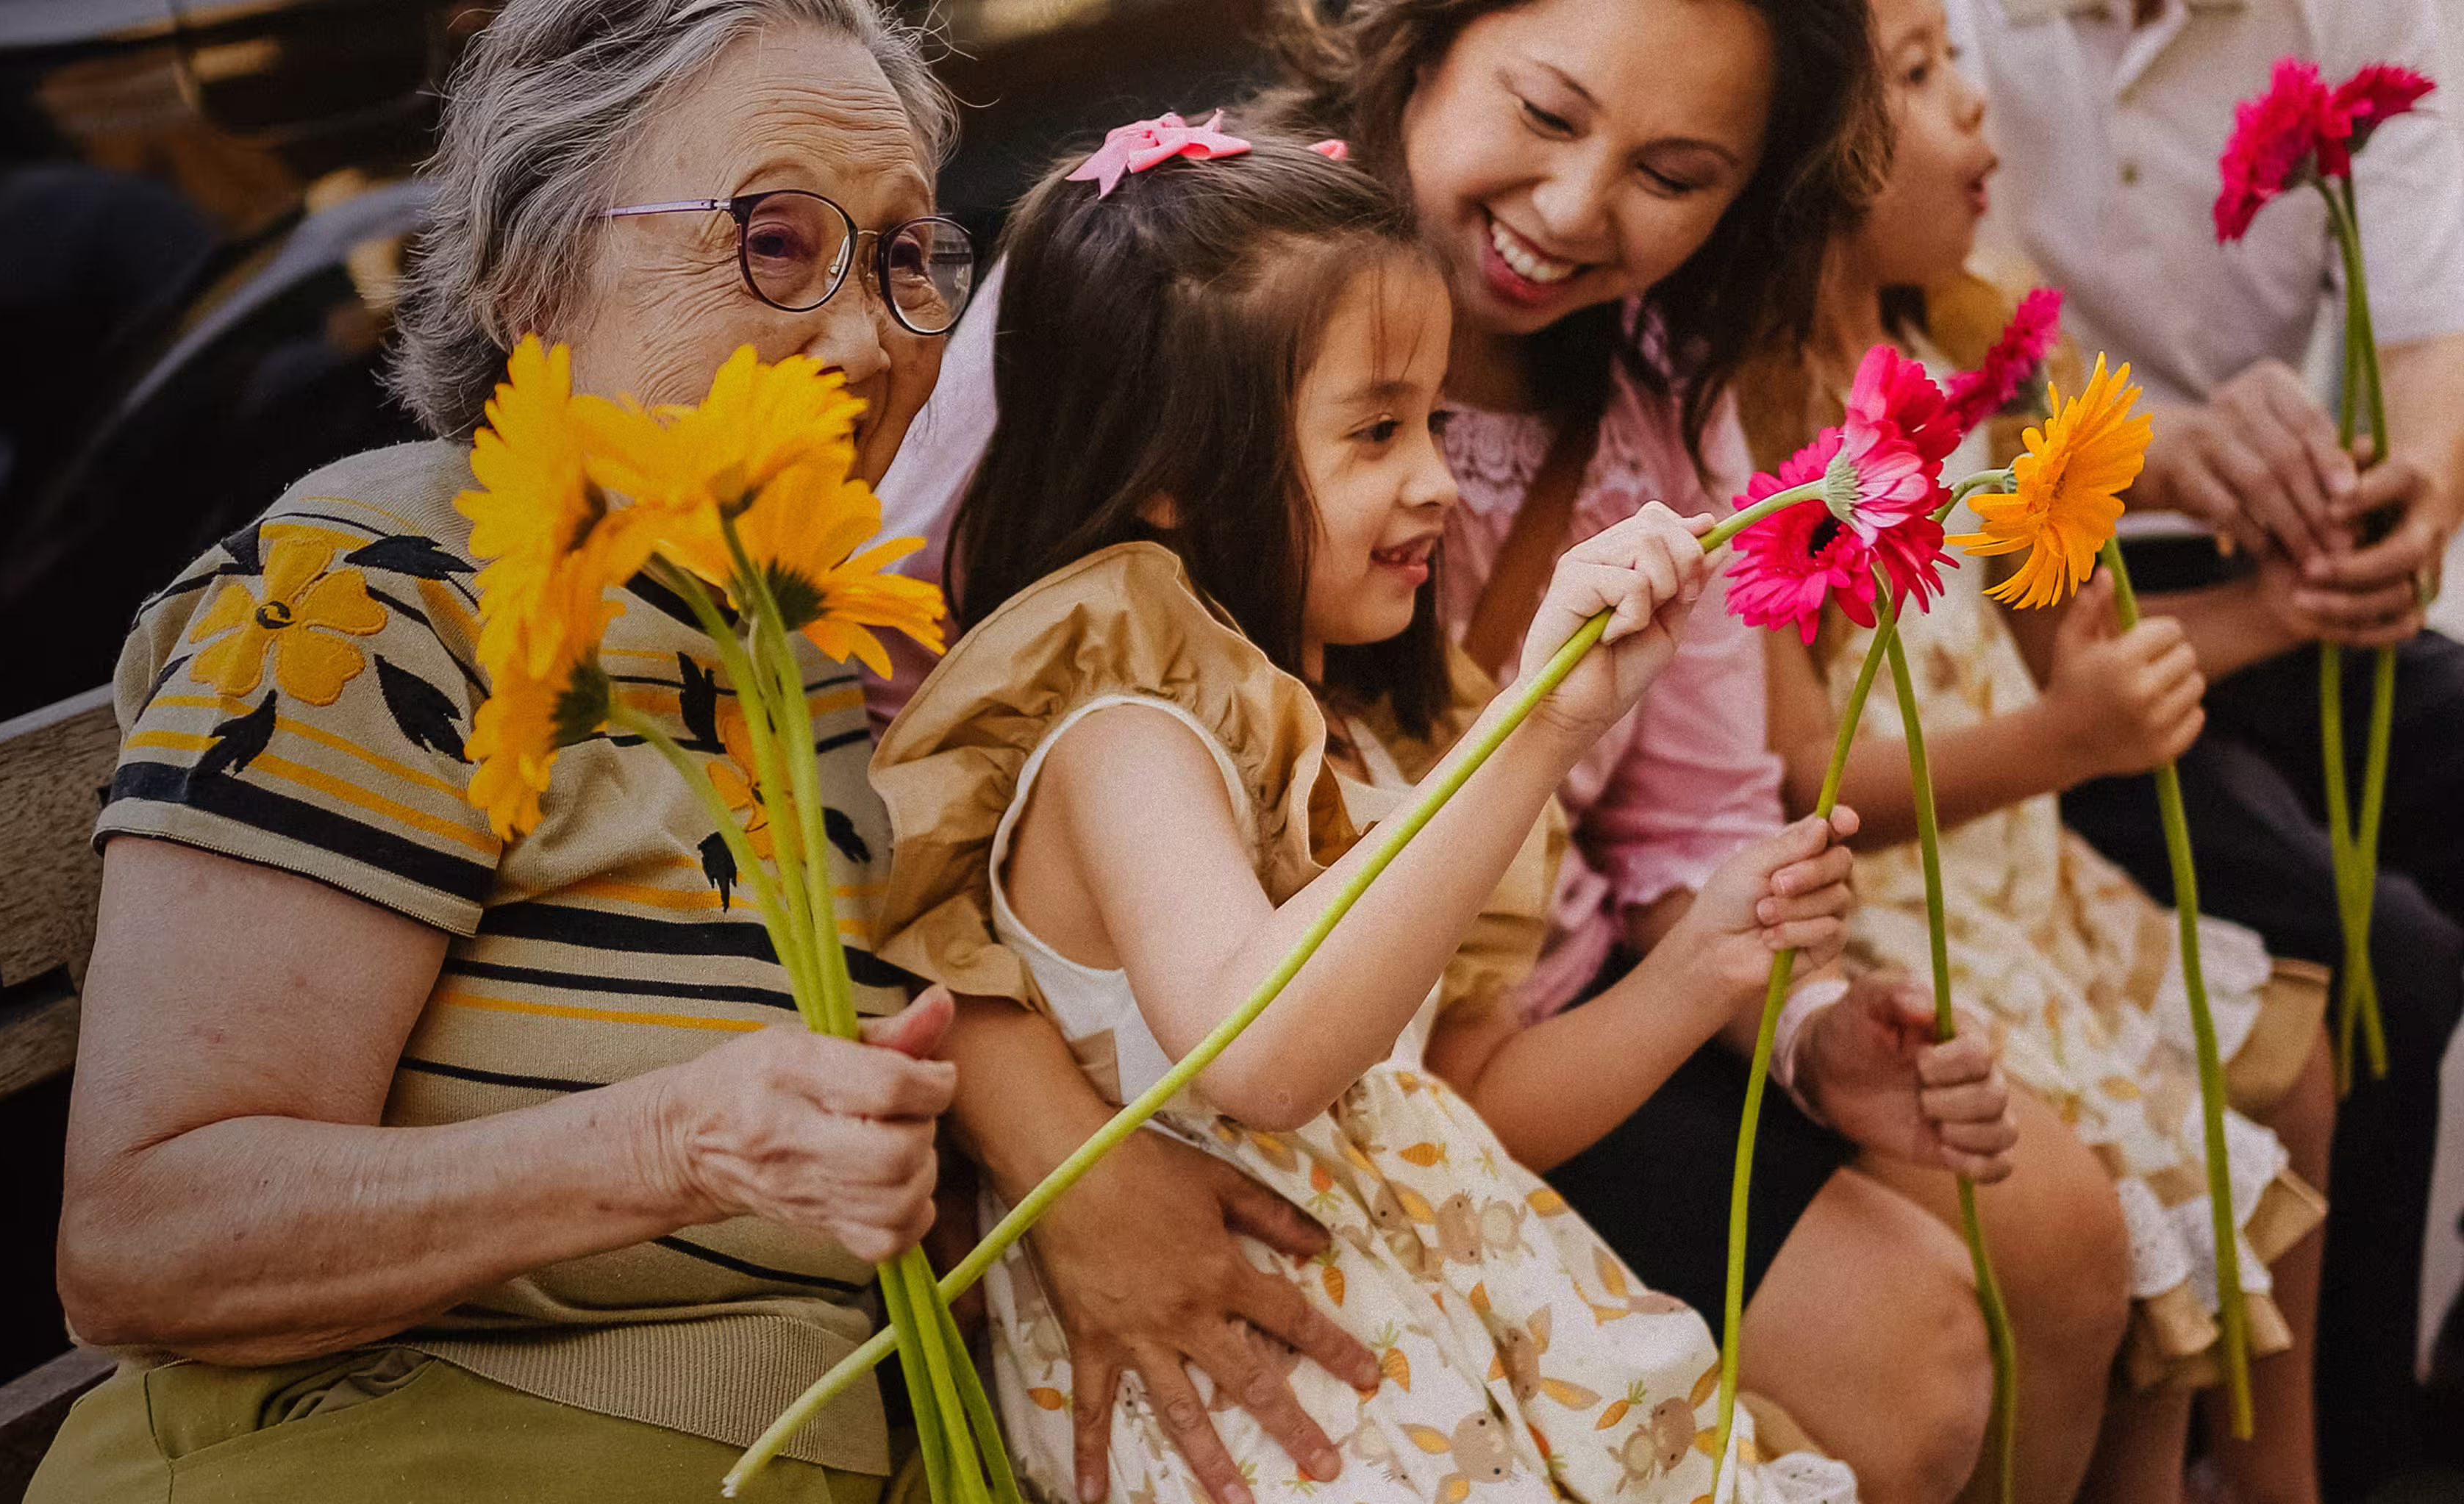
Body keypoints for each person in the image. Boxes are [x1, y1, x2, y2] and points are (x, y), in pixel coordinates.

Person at [883, 3, 2086, 1499]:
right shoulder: (1156, 295)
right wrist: (1071, 1170)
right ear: (1426, 44)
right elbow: (902, 810)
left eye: (1675, 171)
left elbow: (1488, 1021)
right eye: (1546, 111)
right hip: (1267, 1214)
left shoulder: (1351, 695)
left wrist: (1780, 1012)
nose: (1577, 208)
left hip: (1446, 1141)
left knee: (2042, 1248)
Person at [18, 0, 978, 1497]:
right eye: (775, 242)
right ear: (541, 279)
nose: (867, 336)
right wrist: (673, 1146)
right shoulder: (377, 596)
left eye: (908, 256)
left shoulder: (815, 634)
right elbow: (146, 1243)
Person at [1740, 1, 2335, 1497]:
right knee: (2140, 1206)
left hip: (2016, 868)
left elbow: (2024, 645)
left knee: (2266, 1101)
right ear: (1807, 147)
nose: (1980, 116)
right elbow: (1804, 777)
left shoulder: (1944, 348)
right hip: (1912, 905)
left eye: (1960, 61)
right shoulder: (1763, 430)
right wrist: (2067, 735)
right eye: (1921, 78)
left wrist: (2214, 615)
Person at [1943, 1, 2464, 1491]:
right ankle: (2342, 1462)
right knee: (2385, 957)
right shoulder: (1941, 32)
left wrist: (2409, 510)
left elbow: (2435, 320)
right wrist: (2164, 452)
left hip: (2273, 562)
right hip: (2040, 587)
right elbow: (1953, 340)